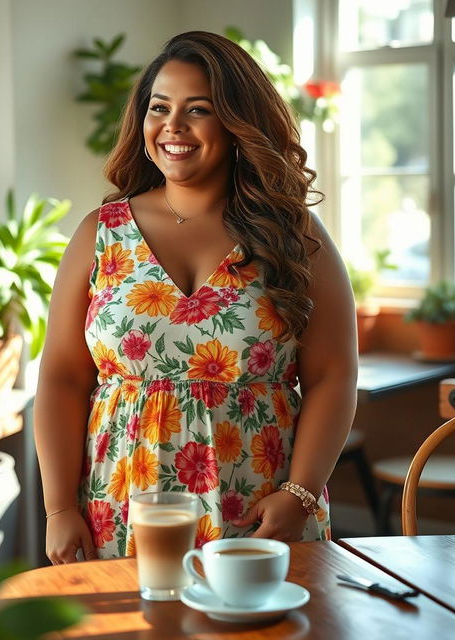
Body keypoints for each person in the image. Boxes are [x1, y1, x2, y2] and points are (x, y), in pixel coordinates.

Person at [35, 30, 358, 564]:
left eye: (198, 109)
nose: (173, 126)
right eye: (158, 107)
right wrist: (57, 508)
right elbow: (63, 377)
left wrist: (300, 493)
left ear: (236, 124)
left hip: (264, 511)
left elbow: (332, 374)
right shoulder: (101, 233)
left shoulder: (294, 236)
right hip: (122, 510)